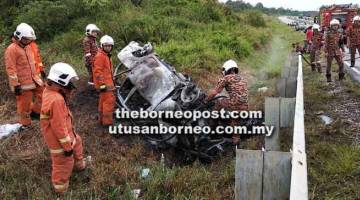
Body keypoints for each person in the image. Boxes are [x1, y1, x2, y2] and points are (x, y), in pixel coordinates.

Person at [40, 62, 86, 195]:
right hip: (59, 141)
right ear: (61, 80)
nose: (72, 84)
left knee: (78, 142)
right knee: (63, 163)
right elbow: (59, 127)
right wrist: (66, 147)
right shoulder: (57, 100)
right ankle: (60, 189)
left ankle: (79, 166)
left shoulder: (50, 91)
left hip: (68, 134)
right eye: (70, 81)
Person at [4, 23, 44, 126]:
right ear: (19, 37)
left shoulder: (28, 47)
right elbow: (11, 69)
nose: (29, 41)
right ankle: (26, 124)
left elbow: (32, 64)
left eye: (29, 39)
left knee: (43, 96)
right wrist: (15, 85)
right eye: (26, 39)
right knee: (24, 106)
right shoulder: (11, 49)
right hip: (23, 84)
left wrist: (40, 72)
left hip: (34, 79)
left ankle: (35, 113)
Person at [206, 60, 249, 144]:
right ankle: (236, 138)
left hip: (235, 104)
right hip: (245, 106)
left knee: (219, 102)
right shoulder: (242, 78)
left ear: (226, 70)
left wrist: (206, 100)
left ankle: (212, 124)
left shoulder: (226, 78)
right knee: (234, 119)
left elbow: (215, 92)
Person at [93, 35, 115, 127]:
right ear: (102, 46)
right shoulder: (100, 56)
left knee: (103, 102)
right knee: (109, 103)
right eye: (106, 46)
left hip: (107, 84)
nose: (108, 47)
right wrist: (102, 86)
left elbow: (107, 71)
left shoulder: (106, 56)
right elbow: (98, 73)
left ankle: (101, 120)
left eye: (110, 46)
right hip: (106, 85)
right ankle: (107, 123)